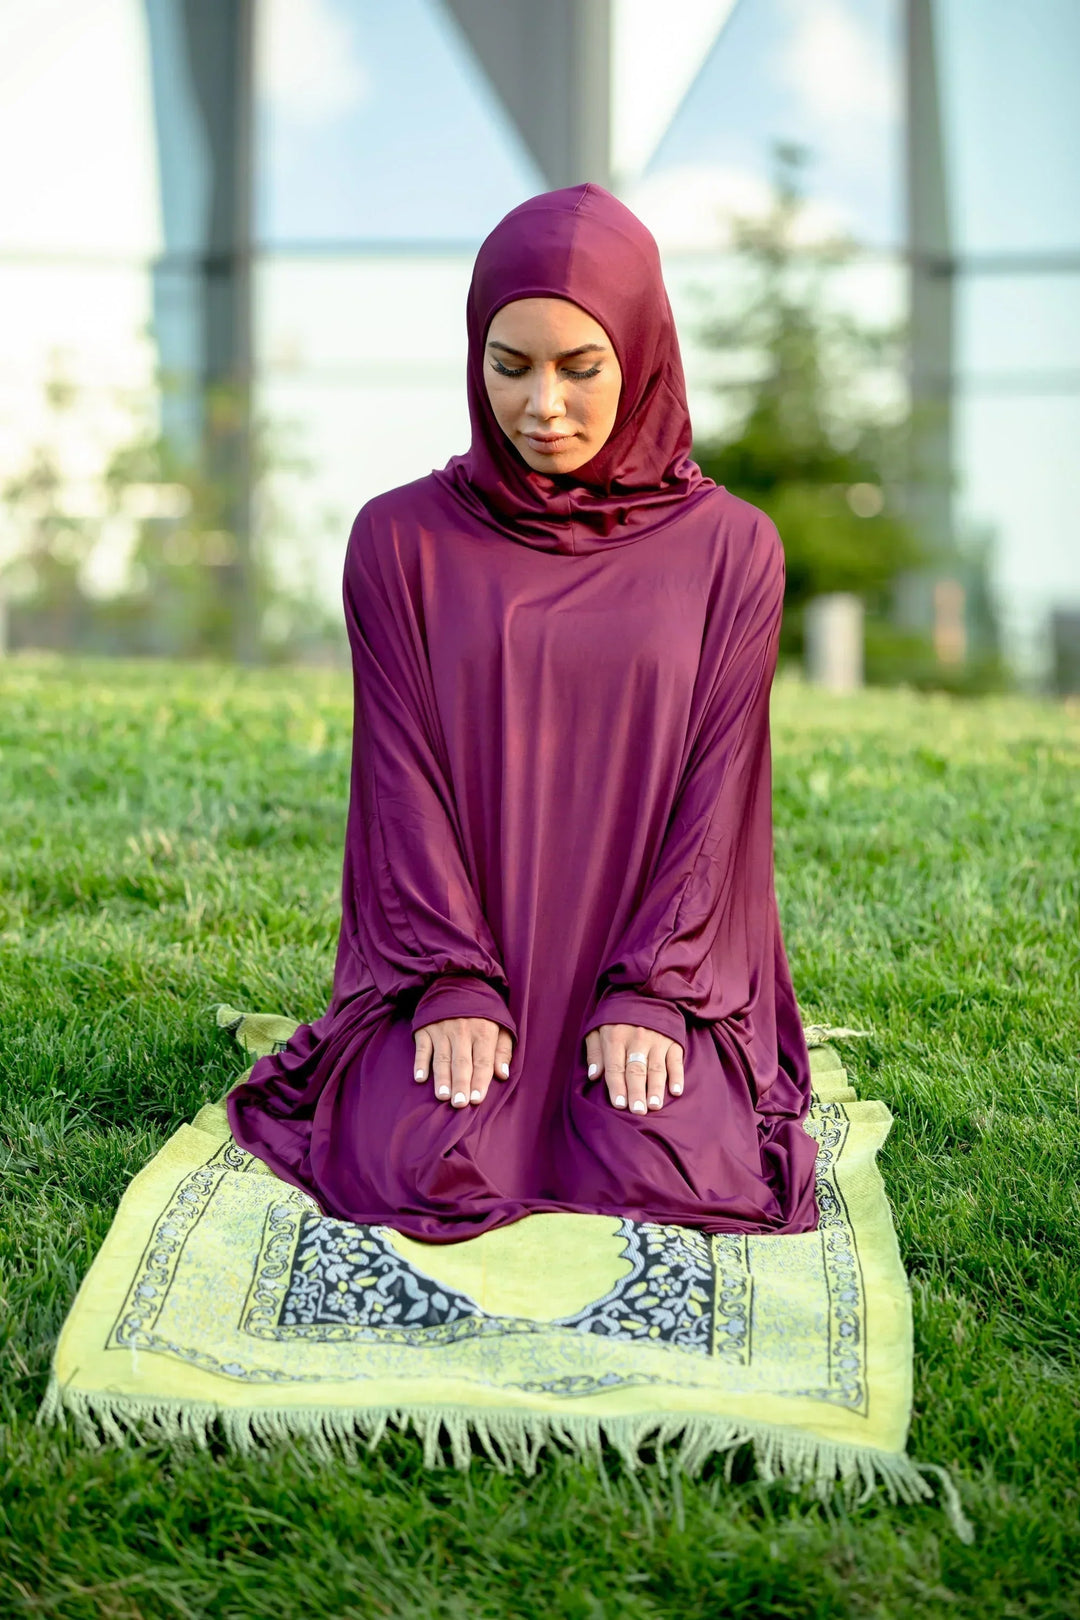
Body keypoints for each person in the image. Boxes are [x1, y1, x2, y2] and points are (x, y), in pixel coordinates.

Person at [227, 183, 819, 1243]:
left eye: (580, 368)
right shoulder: (398, 542)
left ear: (641, 354)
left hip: (649, 965)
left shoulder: (734, 550)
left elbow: (718, 802)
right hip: (460, 957)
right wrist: (449, 980)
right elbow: (400, 786)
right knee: (417, 1165)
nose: (543, 405)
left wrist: (655, 993)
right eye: (511, 367)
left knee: (669, 1171)